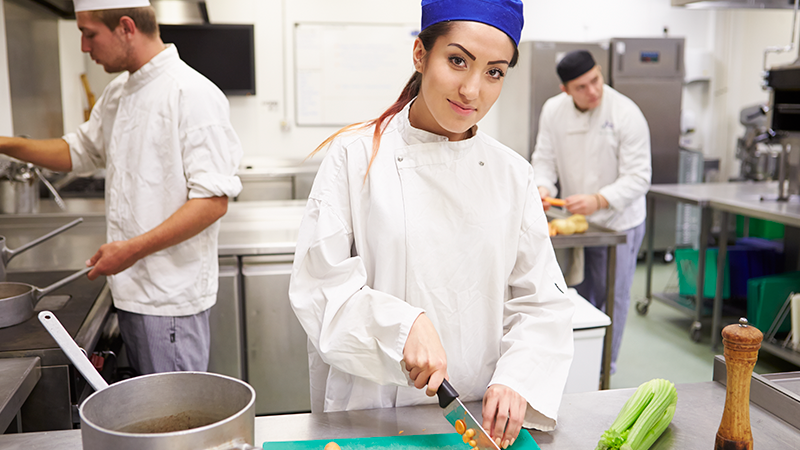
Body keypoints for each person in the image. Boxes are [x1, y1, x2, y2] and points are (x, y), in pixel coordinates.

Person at [288, 1, 574, 447]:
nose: (472, 90)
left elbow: (541, 302)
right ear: (421, 54)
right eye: (457, 61)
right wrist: (402, 327)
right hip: (371, 415)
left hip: (476, 418)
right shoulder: (355, 157)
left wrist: (519, 378)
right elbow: (319, 288)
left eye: (494, 71)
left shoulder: (512, 174)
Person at [0, 0, 242, 375]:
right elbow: (76, 151)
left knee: (175, 422)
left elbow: (211, 202)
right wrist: (5, 143)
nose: (84, 46)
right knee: (154, 419)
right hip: (131, 291)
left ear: (127, 27)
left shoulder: (191, 93)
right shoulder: (118, 93)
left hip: (168, 302)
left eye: (89, 33)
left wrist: (130, 250)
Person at [532, 50, 651, 374]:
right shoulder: (553, 111)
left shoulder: (626, 113)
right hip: (576, 223)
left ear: (601, 72)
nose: (593, 91)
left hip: (618, 222)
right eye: (582, 87)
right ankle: (574, 365)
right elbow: (544, 159)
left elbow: (639, 177)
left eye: (596, 80)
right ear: (565, 90)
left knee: (613, 297)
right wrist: (543, 188)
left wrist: (599, 199)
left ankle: (603, 369)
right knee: (573, 295)